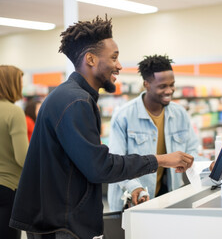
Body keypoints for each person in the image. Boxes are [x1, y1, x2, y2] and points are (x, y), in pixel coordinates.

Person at [10, 15, 193, 239]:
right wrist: (161, 160)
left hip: (54, 220)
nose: (119, 65)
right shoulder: (77, 102)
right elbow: (99, 167)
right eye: (114, 57)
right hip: (62, 226)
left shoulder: (66, 95)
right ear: (91, 59)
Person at [107, 55, 201, 211]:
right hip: (133, 201)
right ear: (147, 84)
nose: (169, 91)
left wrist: (207, 165)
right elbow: (116, 161)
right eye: (163, 86)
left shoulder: (180, 114)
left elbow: (192, 150)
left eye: (172, 85)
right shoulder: (123, 116)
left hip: (168, 197)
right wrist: (135, 187)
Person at [0, 65, 28, 239]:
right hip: (8, 188)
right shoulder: (14, 112)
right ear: (10, 84)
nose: (22, 86)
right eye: (20, 82)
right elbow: (23, 158)